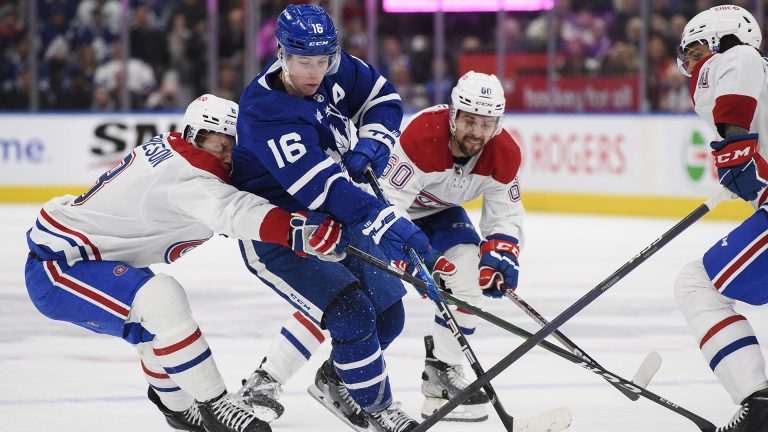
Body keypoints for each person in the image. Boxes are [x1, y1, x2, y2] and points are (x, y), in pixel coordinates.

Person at [24, 94, 347, 432]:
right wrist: (296, 229)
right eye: (217, 145)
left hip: (92, 258)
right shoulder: (189, 174)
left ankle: (179, 410)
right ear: (194, 135)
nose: (225, 157)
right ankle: (217, 405)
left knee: (151, 333)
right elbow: (231, 210)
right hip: (59, 268)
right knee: (162, 299)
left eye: (231, 148)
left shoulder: (176, 150)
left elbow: (225, 198)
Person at [239, 71, 524, 423]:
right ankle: (268, 377)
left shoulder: (505, 153)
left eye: (486, 124)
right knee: (341, 294)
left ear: (498, 124)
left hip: (439, 213)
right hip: (387, 213)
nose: (476, 133)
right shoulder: (423, 137)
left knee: (466, 277)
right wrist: (407, 260)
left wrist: (499, 254)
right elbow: (387, 201)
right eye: (469, 120)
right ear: (454, 114)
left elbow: (504, 215)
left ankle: (441, 375)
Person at [231, 4, 453, 432]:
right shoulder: (265, 111)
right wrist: (388, 224)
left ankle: (337, 381)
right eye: (303, 62)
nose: (315, 72)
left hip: (335, 213)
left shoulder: (331, 67)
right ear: (281, 54)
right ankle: (379, 408)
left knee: (390, 313)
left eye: (322, 61)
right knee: (352, 313)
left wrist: (375, 140)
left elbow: (383, 98)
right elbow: (325, 189)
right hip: (284, 231)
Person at [673, 5, 768, 432]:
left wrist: (736, 143)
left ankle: (760, 407)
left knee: (697, 284)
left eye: (695, 52)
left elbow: (741, 61)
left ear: (720, 40)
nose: (690, 66)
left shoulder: (742, 59)